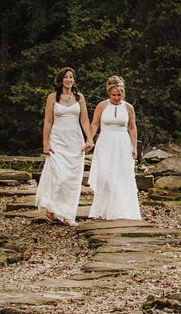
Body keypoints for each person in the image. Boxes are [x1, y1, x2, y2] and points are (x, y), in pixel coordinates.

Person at [34, 67, 92, 225]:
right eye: (66, 77)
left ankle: (68, 215)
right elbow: (48, 121)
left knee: (72, 178)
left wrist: (89, 139)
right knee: (58, 176)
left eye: (71, 77)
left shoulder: (79, 97)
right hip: (58, 139)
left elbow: (85, 120)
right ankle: (52, 206)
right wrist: (45, 143)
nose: (69, 80)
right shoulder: (52, 97)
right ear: (60, 80)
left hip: (74, 140)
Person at [86, 75, 142, 221]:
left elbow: (132, 127)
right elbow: (94, 124)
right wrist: (89, 139)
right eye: (114, 95)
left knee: (121, 176)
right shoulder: (102, 106)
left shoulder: (128, 107)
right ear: (109, 94)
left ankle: (120, 210)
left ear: (123, 93)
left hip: (122, 143)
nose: (117, 98)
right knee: (105, 175)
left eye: (119, 95)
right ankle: (101, 209)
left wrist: (134, 147)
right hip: (105, 142)